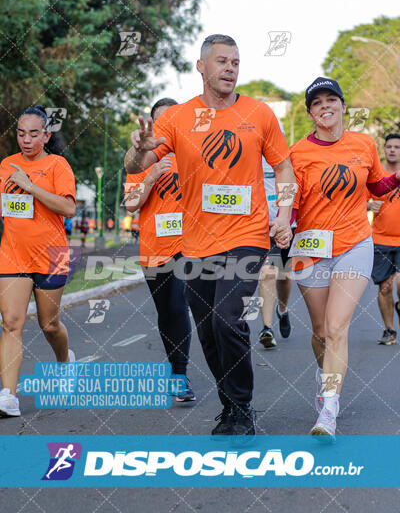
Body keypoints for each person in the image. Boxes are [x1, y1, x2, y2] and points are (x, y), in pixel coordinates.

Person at [124, 35, 295, 436]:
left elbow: (284, 168)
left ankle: (242, 405)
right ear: (201, 67)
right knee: (207, 330)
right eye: (221, 61)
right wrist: (139, 150)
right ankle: (230, 407)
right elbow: (137, 163)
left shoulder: (260, 114)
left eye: (236, 61)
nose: (230, 68)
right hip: (195, 242)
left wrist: (283, 214)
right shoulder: (178, 118)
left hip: (247, 234)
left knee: (226, 318)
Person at [289, 77, 400, 437]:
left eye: (331, 99)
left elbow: (378, 186)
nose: (325, 106)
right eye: (317, 102)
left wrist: (396, 177)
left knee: (337, 328)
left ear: (342, 106)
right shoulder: (298, 153)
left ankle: (330, 408)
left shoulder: (364, 144)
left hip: (355, 243)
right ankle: (324, 382)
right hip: (310, 248)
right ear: (310, 113)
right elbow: (290, 201)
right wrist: (280, 222)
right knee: (320, 331)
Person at [0, 105, 76, 417]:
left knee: (49, 325)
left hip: (51, 255)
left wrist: (31, 185)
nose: (26, 139)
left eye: (33, 134)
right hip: (13, 254)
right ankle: (8, 396)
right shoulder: (6, 165)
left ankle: (64, 362)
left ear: (46, 135)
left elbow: (68, 209)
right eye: (21, 133)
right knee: (12, 323)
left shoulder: (57, 165)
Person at [125, 97, 195, 403]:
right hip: (155, 247)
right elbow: (130, 204)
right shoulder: (141, 159)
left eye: (173, 118)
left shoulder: (194, 151)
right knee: (167, 311)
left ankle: (180, 375)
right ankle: (175, 368)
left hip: (191, 245)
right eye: (161, 121)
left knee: (180, 306)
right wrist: (152, 175)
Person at [258, 122, 294, 348]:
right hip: (263, 226)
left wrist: (286, 218)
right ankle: (267, 328)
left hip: (290, 224)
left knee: (285, 275)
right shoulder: (251, 155)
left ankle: (283, 309)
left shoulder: (291, 156)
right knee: (268, 272)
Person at [366, 133, 400, 345]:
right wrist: (368, 206)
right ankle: (389, 330)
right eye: (389, 146)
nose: (393, 150)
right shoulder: (375, 174)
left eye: (397, 146)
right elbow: (358, 199)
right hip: (380, 238)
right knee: (385, 287)